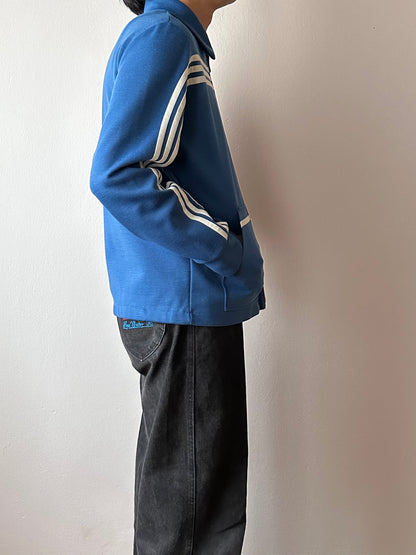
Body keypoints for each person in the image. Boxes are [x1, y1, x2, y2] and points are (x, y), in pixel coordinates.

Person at [89, 0, 266, 552]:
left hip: (182, 305)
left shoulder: (169, 38)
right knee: (193, 526)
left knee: (191, 514)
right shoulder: (164, 35)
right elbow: (118, 174)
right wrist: (222, 245)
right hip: (186, 307)